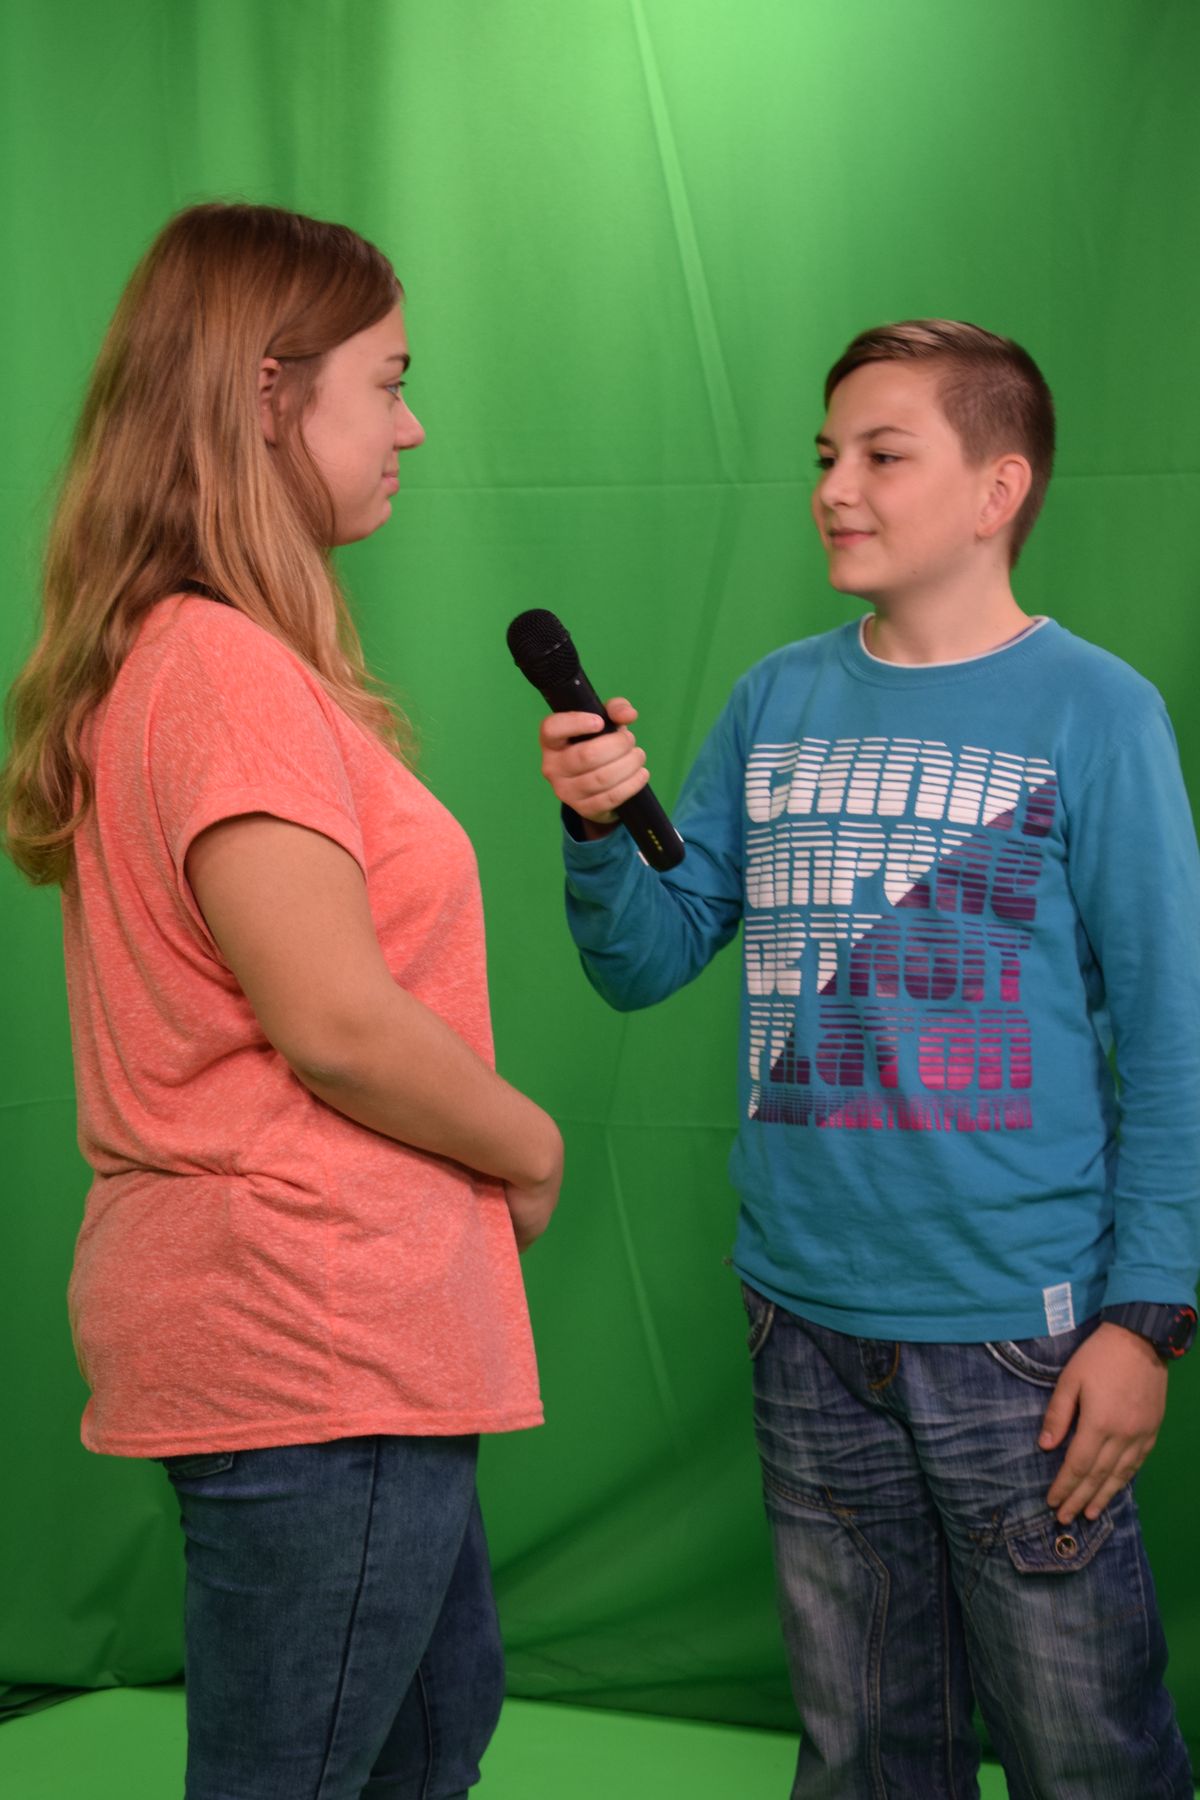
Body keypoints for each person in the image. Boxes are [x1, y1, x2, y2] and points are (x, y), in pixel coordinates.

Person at [531, 320, 1199, 1798]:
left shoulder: (1099, 713)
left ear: (997, 489)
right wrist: (595, 829)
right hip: (801, 1320)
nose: (835, 487)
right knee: (861, 1755)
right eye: (827, 455)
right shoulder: (775, 699)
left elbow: (1172, 1036)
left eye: (883, 455)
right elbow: (649, 955)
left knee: (1086, 1752)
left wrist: (1146, 1319)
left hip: (1022, 1339)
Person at [1, 201, 563, 1800]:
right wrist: (527, 1147)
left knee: (428, 1736)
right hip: (313, 1330)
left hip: (327, 1337)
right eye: (387, 383)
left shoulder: (187, 657)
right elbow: (335, 1022)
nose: (411, 426)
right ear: (266, 395)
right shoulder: (221, 669)